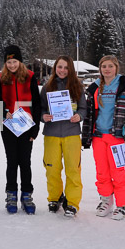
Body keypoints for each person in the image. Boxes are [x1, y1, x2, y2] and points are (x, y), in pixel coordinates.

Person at [82, 55, 125, 220]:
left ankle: (124, 206)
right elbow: (88, 110)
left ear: (116, 68)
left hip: (117, 135)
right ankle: (106, 200)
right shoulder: (95, 87)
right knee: (102, 171)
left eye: (110, 66)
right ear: (100, 69)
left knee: (118, 171)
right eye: (104, 66)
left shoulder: (124, 85)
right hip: (98, 136)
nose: (107, 69)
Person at [0, 45, 41, 214]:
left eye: (14, 61)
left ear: (20, 62)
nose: (12, 65)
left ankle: (27, 195)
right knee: (12, 161)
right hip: (8, 126)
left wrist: (35, 128)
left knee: (25, 162)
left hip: (26, 126)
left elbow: (36, 104)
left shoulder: (29, 77)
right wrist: (4, 111)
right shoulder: (1, 78)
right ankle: (11, 194)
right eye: (9, 62)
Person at [40, 56, 87, 217]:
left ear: (71, 69)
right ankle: (55, 197)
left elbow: (83, 109)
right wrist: (44, 116)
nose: (62, 70)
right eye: (60, 67)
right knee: (52, 168)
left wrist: (79, 116)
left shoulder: (77, 86)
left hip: (71, 133)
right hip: (51, 133)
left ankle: (72, 202)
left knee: (73, 169)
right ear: (55, 68)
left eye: (66, 68)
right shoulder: (47, 87)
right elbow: (41, 109)